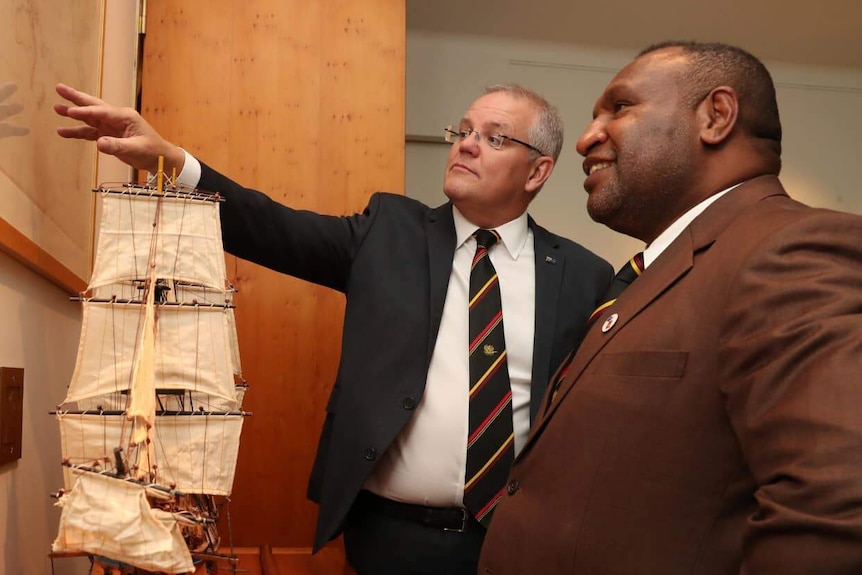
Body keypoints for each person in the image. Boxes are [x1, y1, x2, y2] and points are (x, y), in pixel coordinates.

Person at [54, 83, 613, 574]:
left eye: (494, 138)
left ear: (538, 170)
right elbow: (270, 227)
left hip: (519, 541)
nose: (466, 143)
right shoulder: (388, 232)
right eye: (463, 130)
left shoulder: (586, 277)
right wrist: (173, 161)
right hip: (390, 539)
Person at [479, 41, 862, 575]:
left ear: (717, 116)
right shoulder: (645, 276)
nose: (587, 138)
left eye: (620, 107)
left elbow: (838, 511)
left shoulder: (789, 250)